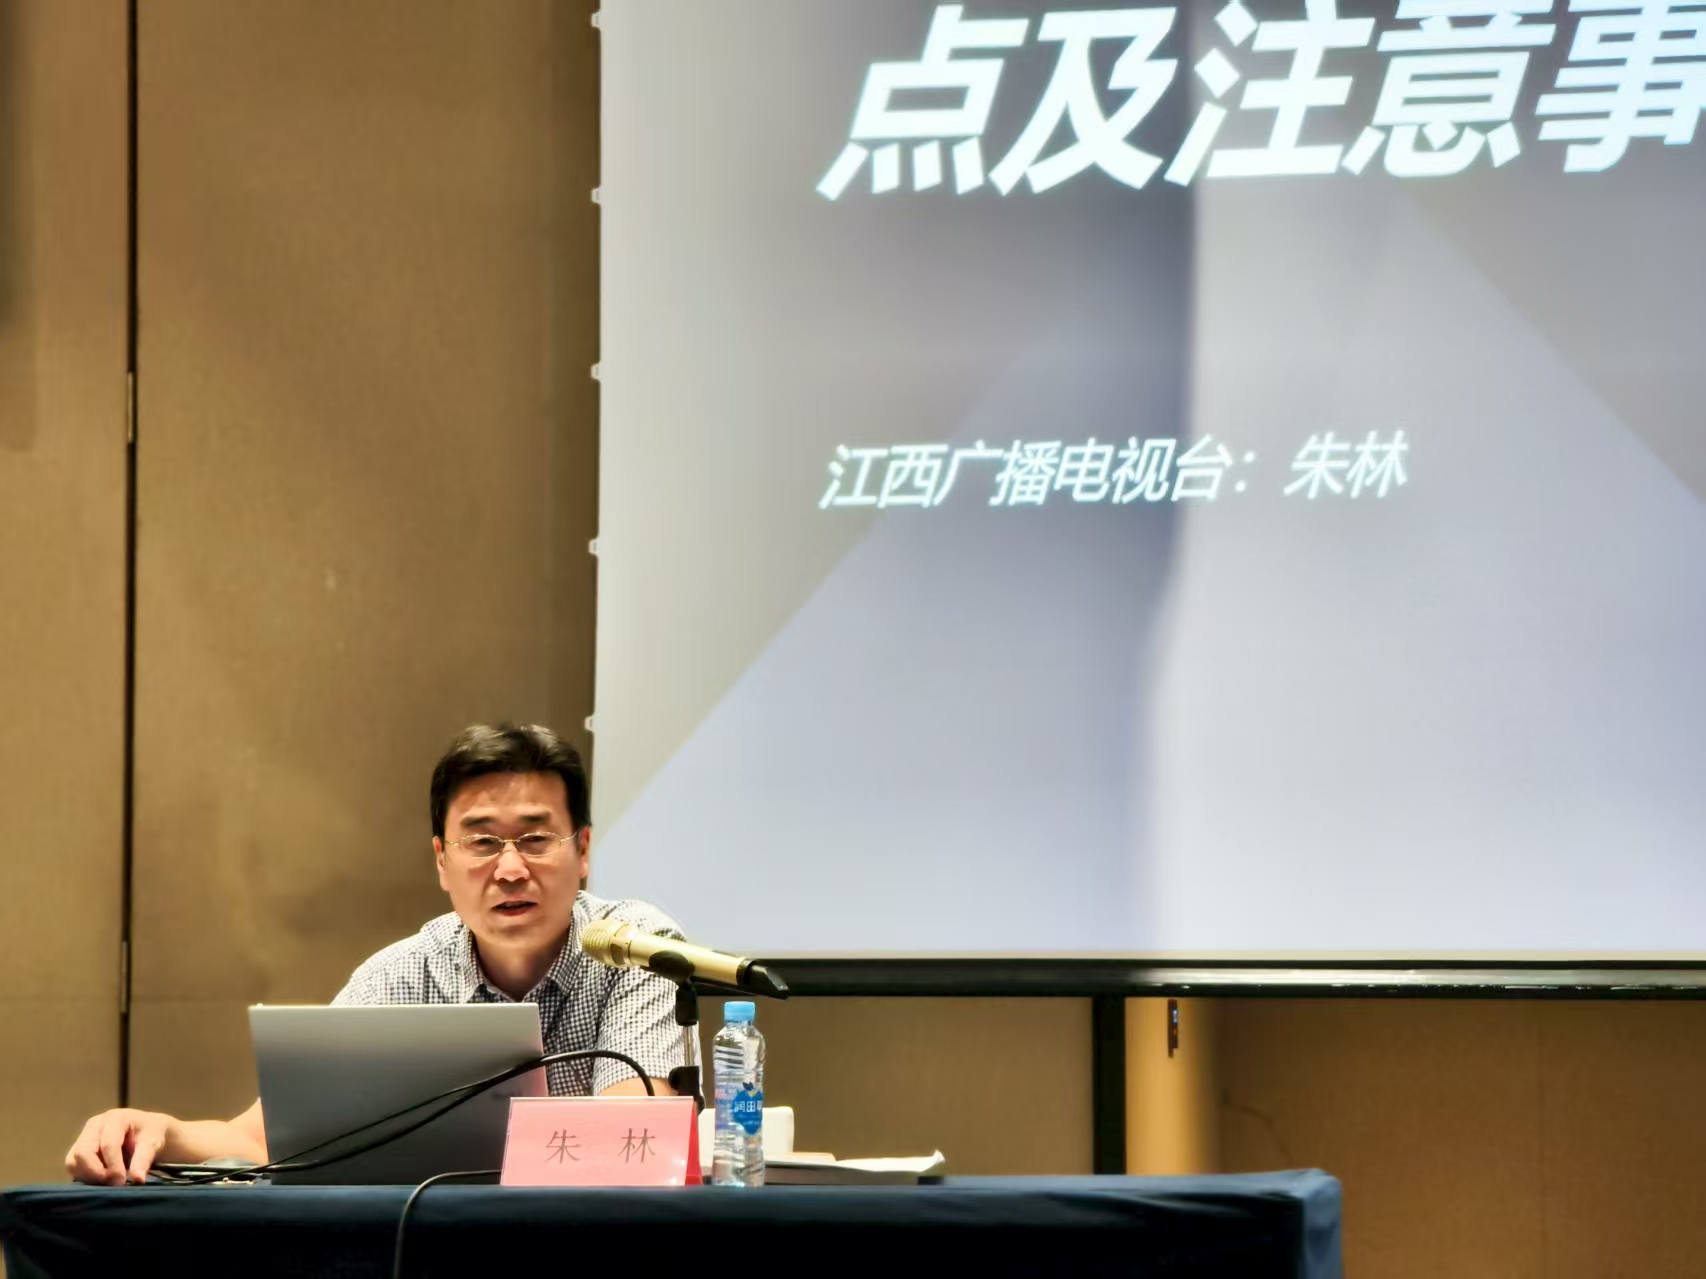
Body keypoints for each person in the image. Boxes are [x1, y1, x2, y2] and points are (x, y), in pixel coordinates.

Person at [66, 723, 684, 1186]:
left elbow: (631, 1138)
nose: (511, 868)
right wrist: (160, 1131)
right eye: (482, 842)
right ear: (441, 860)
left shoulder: (637, 947)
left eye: (535, 838)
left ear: (583, 850)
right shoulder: (400, 973)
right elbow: (268, 1141)